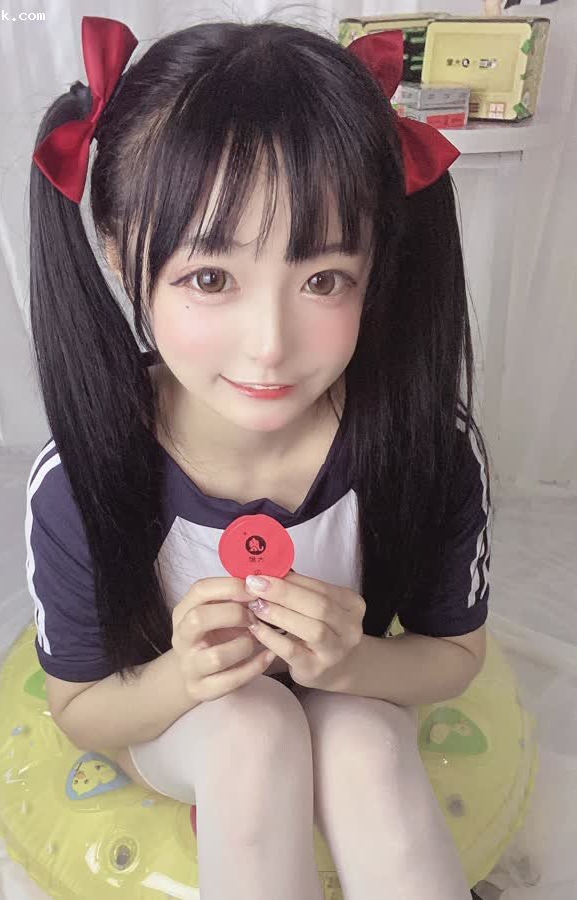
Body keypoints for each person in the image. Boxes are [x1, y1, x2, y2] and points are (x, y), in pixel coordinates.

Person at [25, 15, 493, 900]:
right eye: (210, 279)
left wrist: (351, 664)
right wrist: (186, 674)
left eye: (323, 280)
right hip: (182, 717)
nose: (269, 344)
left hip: (353, 696)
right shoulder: (86, 475)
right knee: (253, 728)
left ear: (374, 267)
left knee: (362, 740)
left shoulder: (424, 445)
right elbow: (82, 707)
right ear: (121, 255)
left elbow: (454, 653)